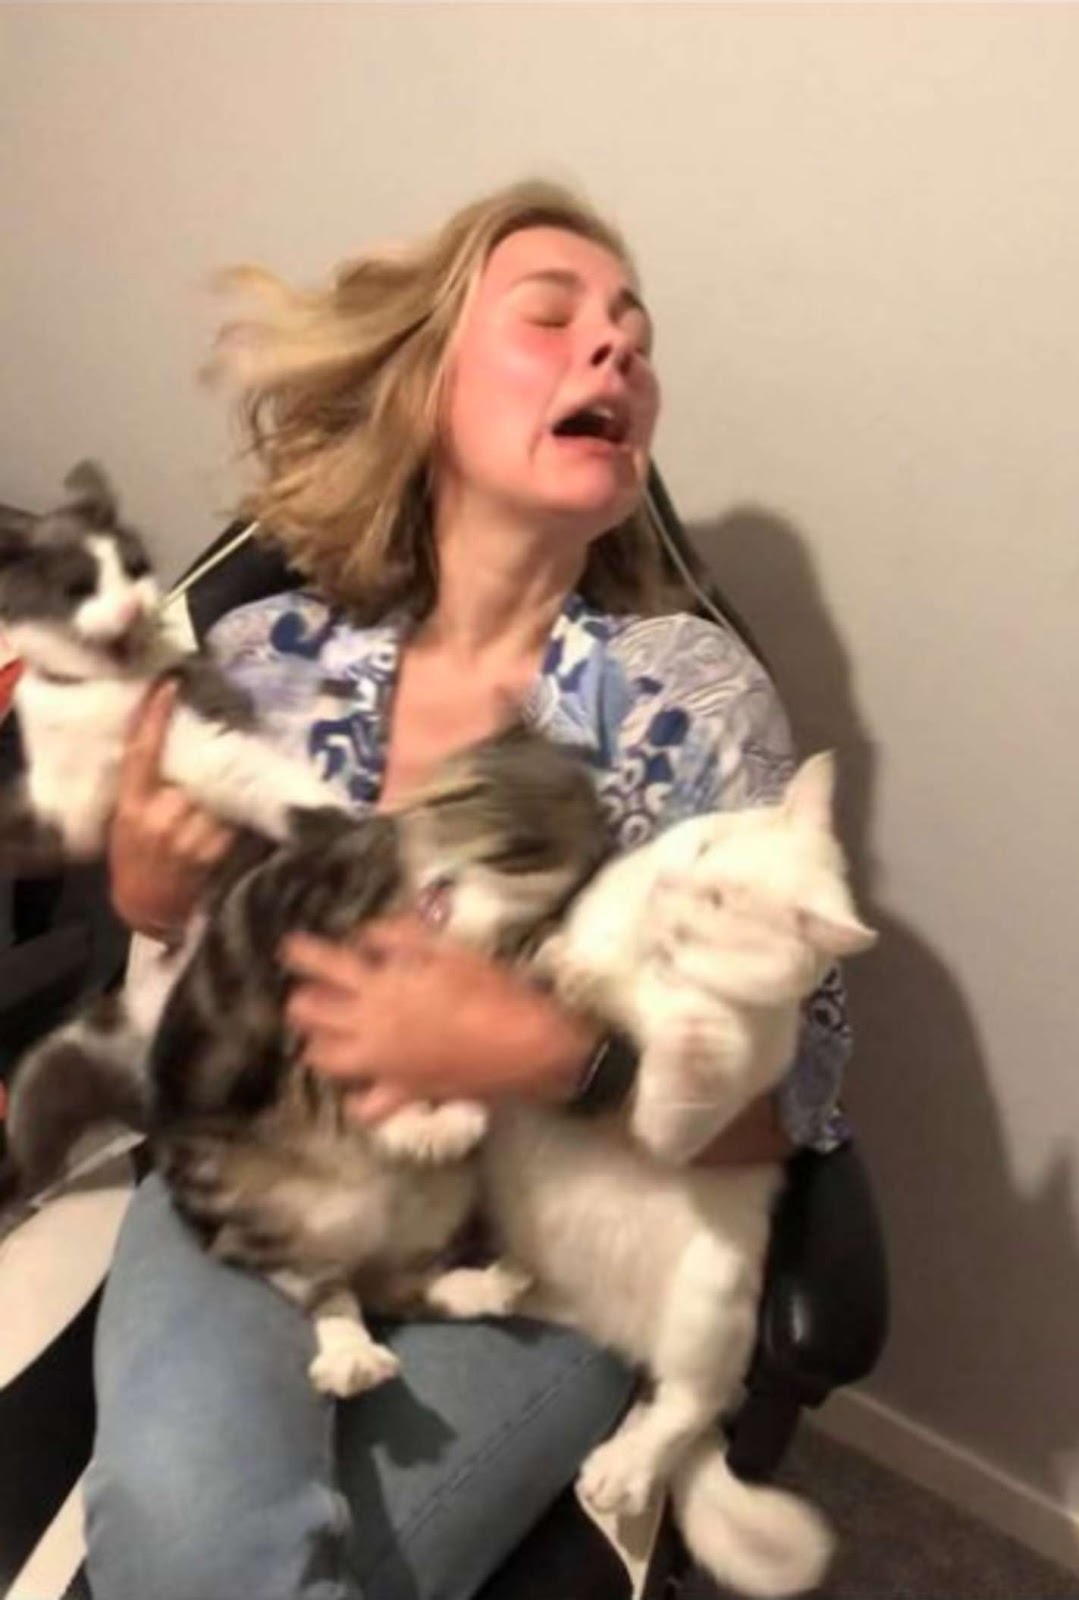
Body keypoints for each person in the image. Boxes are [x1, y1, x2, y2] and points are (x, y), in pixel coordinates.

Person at [84, 179, 853, 1600]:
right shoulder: (261, 654)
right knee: (189, 1532)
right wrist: (142, 898)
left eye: (635, 336)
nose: (616, 350)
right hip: (258, 1178)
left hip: (532, 1249)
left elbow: (780, 1113)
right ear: (424, 384)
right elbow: (185, 1016)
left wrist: (552, 1054)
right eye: (551, 317)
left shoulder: (685, 699)